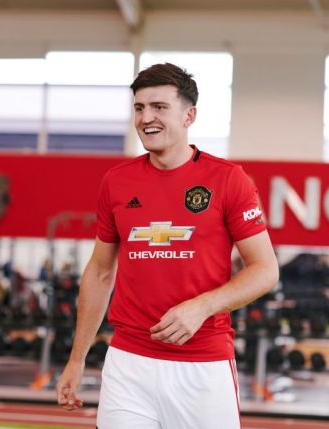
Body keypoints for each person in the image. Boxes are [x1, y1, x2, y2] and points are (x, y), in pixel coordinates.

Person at [56, 63, 279, 428]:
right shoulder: (116, 182)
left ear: (189, 116)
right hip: (128, 363)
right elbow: (99, 273)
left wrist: (202, 307)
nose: (147, 118)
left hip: (202, 366)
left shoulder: (228, 180)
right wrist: (77, 357)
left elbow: (265, 270)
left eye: (159, 107)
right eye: (139, 108)